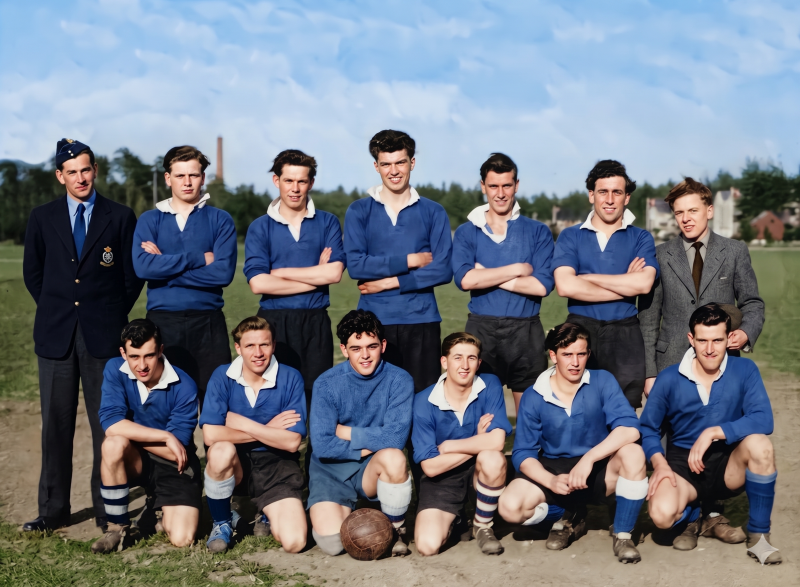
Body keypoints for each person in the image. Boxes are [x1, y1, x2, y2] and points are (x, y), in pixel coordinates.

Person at [22, 139, 144, 532]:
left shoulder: (120, 216)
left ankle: (107, 508)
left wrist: (104, 313)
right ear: (60, 176)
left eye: (86, 169)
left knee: (105, 424)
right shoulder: (42, 217)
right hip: (56, 335)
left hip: (103, 337)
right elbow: (34, 275)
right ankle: (53, 510)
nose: (80, 177)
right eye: (71, 171)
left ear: (95, 171)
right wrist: (62, 308)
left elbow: (130, 278)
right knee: (55, 425)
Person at [638, 178, 765, 539]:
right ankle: (686, 513)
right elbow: (649, 318)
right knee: (670, 439)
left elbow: (752, 303)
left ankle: (711, 512)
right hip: (670, 364)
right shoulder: (662, 255)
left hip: (719, 362)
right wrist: (650, 371)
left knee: (718, 438)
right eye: (679, 213)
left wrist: (745, 333)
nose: (686, 219)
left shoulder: (735, 251)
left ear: (709, 210)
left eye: (693, 210)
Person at [498, 323, 648, 564]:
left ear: (588, 354)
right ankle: (567, 515)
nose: (575, 362)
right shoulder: (534, 395)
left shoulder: (602, 381)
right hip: (555, 472)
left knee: (633, 454)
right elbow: (522, 453)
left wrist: (589, 459)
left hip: (597, 469)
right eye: (567, 354)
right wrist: (550, 481)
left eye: (581, 354)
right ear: (553, 355)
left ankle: (623, 534)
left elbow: (630, 428)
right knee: (509, 508)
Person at [641, 304, 780, 564]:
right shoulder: (669, 377)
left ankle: (759, 536)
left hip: (727, 464)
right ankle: (693, 516)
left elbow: (763, 419)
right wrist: (659, 465)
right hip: (683, 467)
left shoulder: (745, 371)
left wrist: (715, 432)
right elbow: (648, 428)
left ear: (729, 338)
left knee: (761, 445)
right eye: (702, 340)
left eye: (717, 340)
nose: (710, 349)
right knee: (661, 517)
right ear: (691, 339)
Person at [344, 129, 453, 393]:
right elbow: (357, 265)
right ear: (376, 166)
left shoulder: (433, 211)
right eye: (386, 164)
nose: (394, 171)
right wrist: (410, 260)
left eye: (400, 162)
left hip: (421, 320)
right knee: (377, 401)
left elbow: (443, 269)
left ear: (412, 163)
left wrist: (389, 282)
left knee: (421, 398)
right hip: (373, 323)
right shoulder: (359, 211)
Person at [243, 149, 345, 427]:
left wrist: (282, 273)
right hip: (274, 322)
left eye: (302, 181)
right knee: (274, 396)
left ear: (311, 182)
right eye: (289, 181)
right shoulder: (260, 227)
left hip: (315, 322)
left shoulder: (327, 222)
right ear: (277, 181)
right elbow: (258, 283)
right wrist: (316, 275)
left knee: (317, 397)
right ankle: (276, 464)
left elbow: (334, 273)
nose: (295, 188)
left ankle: (317, 465)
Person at [133, 145, 237, 404]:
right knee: (166, 405)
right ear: (168, 178)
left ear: (203, 177)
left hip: (208, 324)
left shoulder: (220, 220)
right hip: (163, 325)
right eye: (180, 175)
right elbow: (143, 268)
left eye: (194, 175)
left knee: (215, 406)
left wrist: (164, 270)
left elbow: (222, 274)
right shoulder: (149, 220)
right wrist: (199, 259)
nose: (187, 182)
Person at [452, 153, 554, 415]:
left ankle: (525, 456)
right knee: (483, 417)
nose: (500, 193)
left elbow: (542, 286)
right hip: (481, 329)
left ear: (516, 185)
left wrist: (486, 274)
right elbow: (465, 280)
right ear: (483, 186)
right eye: (493, 186)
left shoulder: (537, 231)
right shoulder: (467, 231)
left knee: (530, 417)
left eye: (506, 185)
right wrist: (517, 270)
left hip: (527, 330)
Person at [552, 160, 658, 409]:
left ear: (627, 197)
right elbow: (565, 286)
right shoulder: (571, 235)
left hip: (625, 333)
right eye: (603, 192)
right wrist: (624, 284)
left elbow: (643, 284)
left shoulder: (641, 237)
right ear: (591, 195)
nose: (609, 199)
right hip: (579, 330)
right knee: (577, 407)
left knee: (622, 413)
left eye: (617, 192)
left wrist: (587, 277)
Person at [307, 310, 414, 557]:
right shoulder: (326, 383)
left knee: (394, 457)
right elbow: (323, 446)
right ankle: (341, 507)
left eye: (372, 346)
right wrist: (374, 440)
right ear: (344, 349)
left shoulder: (400, 380)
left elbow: (396, 439)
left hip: (371, 467)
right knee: (334, 544)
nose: (365, 355)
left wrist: (345, 432)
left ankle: (396, 530)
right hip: (331, 469)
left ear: (383, 345)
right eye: (356, 348)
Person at [199, 316, 307, 554]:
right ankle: (222, 522)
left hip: (277, 465)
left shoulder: (290, 377)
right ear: (238, 348)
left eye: (264, 345)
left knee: (295, 542)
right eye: (249, 346)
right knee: (220, 450)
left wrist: (243, 424)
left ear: (273, 345)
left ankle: (265, 512)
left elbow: (291, 442)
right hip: (236, 462)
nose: (258, 353)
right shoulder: (222, 376)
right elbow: (210, 435)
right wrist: (270, 430)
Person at [93, 319, 201, 553]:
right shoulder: (114, 369)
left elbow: (174, 451)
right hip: (136, 460)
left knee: (182, 538)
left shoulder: (184, 385)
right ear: (123, 353)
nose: (141, 365)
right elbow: (111, 425)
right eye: (134, 356)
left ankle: (156, 510)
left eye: (149, 356)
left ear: (160, 351)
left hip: (175, 465)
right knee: (113, 444)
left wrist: (134, 432)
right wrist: (164, 435)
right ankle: (117, 528)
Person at [412, 332, 512, 556]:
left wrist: (449, 445)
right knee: (427, 546)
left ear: (479, 362)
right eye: (457, 357)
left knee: (492, 458)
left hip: (481, 468)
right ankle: (457, 520)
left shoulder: (490, 384)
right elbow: (430, 466)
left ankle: (482, 526)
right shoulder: (423, 401)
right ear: (444, 361)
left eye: (472, 358)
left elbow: (496, 441)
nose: (465, 365)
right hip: (443, 477)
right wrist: (476, 442)